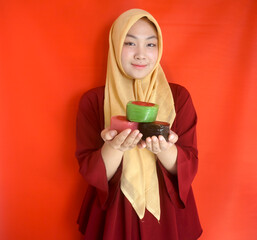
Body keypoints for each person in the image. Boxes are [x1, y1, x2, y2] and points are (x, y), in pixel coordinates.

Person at [75, 9, 202, 240]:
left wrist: (164, 149)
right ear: (114, 46)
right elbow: (91, 172)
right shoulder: (93, 101)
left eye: (151, 45)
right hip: (115, 212)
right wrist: (115, 147)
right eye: (130, 43)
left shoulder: (178, 97)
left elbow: (188, 166)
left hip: (167, 212)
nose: (141, 54)